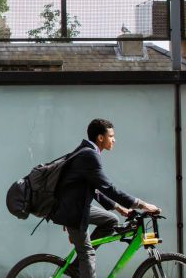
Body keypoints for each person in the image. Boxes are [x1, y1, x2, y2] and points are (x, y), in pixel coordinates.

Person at [50, 118, 160, 278]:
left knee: (111, 220)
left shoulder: (87, 151)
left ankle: (77, 267)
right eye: (111, 136)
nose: (114, 140)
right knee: (87, 254)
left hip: (76, 207)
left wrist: (119, 208)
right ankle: (82, 264)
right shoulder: (89, 154)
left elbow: (95, 189)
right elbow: (108, 187)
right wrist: (142, 205)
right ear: (100, 137)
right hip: (73, 210)